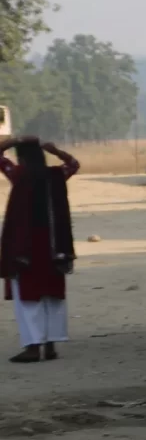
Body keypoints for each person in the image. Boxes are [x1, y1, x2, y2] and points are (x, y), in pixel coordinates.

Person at [0, 136, 80, 364]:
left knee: (28, 299)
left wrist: (12, 141)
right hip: (55, 248)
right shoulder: (56, 175)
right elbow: (73, 164)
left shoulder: (19, 175)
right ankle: (50, 345)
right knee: (51, 296)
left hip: (25, 250)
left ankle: (33, 347)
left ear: (22, 159)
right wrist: (57, 151)